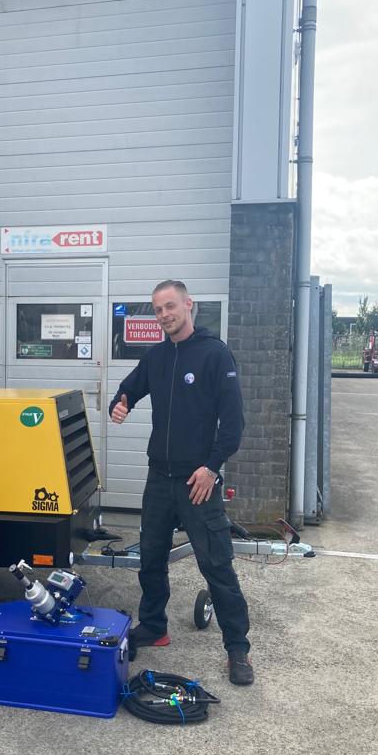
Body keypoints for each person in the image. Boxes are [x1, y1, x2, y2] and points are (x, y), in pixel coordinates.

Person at [109, 280, 253, 685]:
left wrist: (211, 468)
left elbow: (234, 422)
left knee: (216, 565)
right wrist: (120, 403)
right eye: (158, 310)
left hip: (197, 480)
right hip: (160, 477)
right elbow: (128, 389)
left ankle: (237, 648)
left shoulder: (214, 354)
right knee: (151, 559)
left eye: (170, 306)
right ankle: (154, 626)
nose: (164, 315)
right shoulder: (156, 356)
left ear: (189, 305)